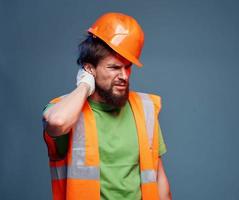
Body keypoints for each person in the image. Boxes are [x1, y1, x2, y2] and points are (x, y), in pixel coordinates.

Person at [42, 12, 171, 200]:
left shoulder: (145, 108)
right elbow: (57, 122)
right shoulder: (64, 110)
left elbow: (159, 177)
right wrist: (85, 85)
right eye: (114, 68)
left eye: (127, 67)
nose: (124, 76)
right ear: (90, 68)